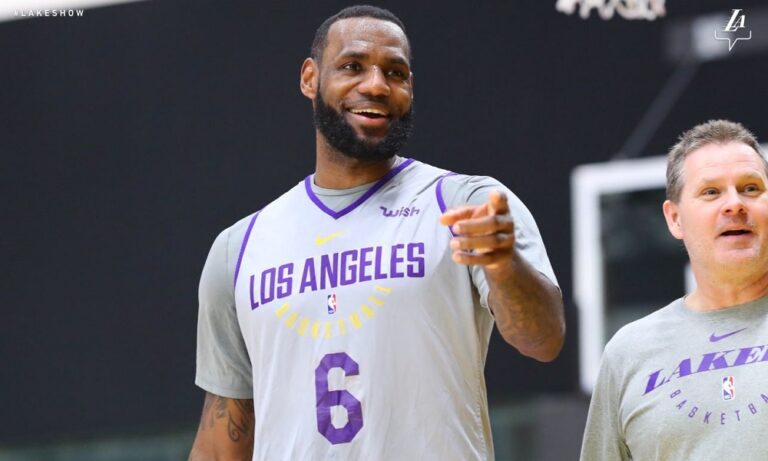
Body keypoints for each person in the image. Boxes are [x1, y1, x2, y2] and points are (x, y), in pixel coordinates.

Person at [189, 5, 564, 460]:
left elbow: (543, 340)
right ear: (310, 78)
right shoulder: (239, 248)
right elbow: (222, 442)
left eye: (395, 73)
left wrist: (504, 266)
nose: (376, 85)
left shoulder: (466, 203)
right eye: (352, 66)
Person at [580, 120, 768, 461]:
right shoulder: (628, 353)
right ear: (675, 219)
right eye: (711, 192)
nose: (735, 204)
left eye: (751, 188)